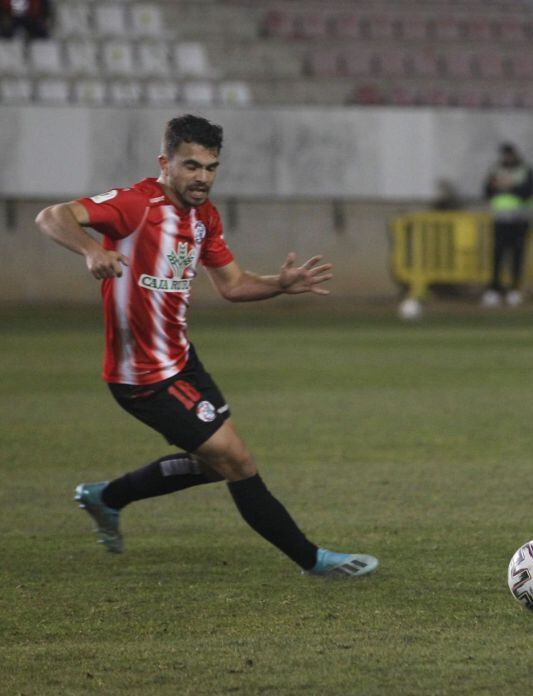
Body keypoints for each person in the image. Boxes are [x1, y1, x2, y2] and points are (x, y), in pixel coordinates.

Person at [35, 115, 377, 578]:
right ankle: (312, 560)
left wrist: (280, 283)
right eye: (191, 166)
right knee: (236, 459)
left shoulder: (204, 216)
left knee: (214, 465)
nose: (202, 178)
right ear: (165, 162)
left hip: (182, 361)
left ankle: (107, 497)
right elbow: (52, 216)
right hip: (144, 378)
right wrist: (91, 250)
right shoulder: (137, 204)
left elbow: (233, 286)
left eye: (211, 167)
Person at [481, 142, 533, 307]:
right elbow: (487, 191)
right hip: (500, 220)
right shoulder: (495, 170)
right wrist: (508, 187)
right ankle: (495, 288)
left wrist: (507, 186)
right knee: (497, 255)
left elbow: (527, 191)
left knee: (517, 255)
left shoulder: (524, 170)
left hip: (519, 220)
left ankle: (514, 289)